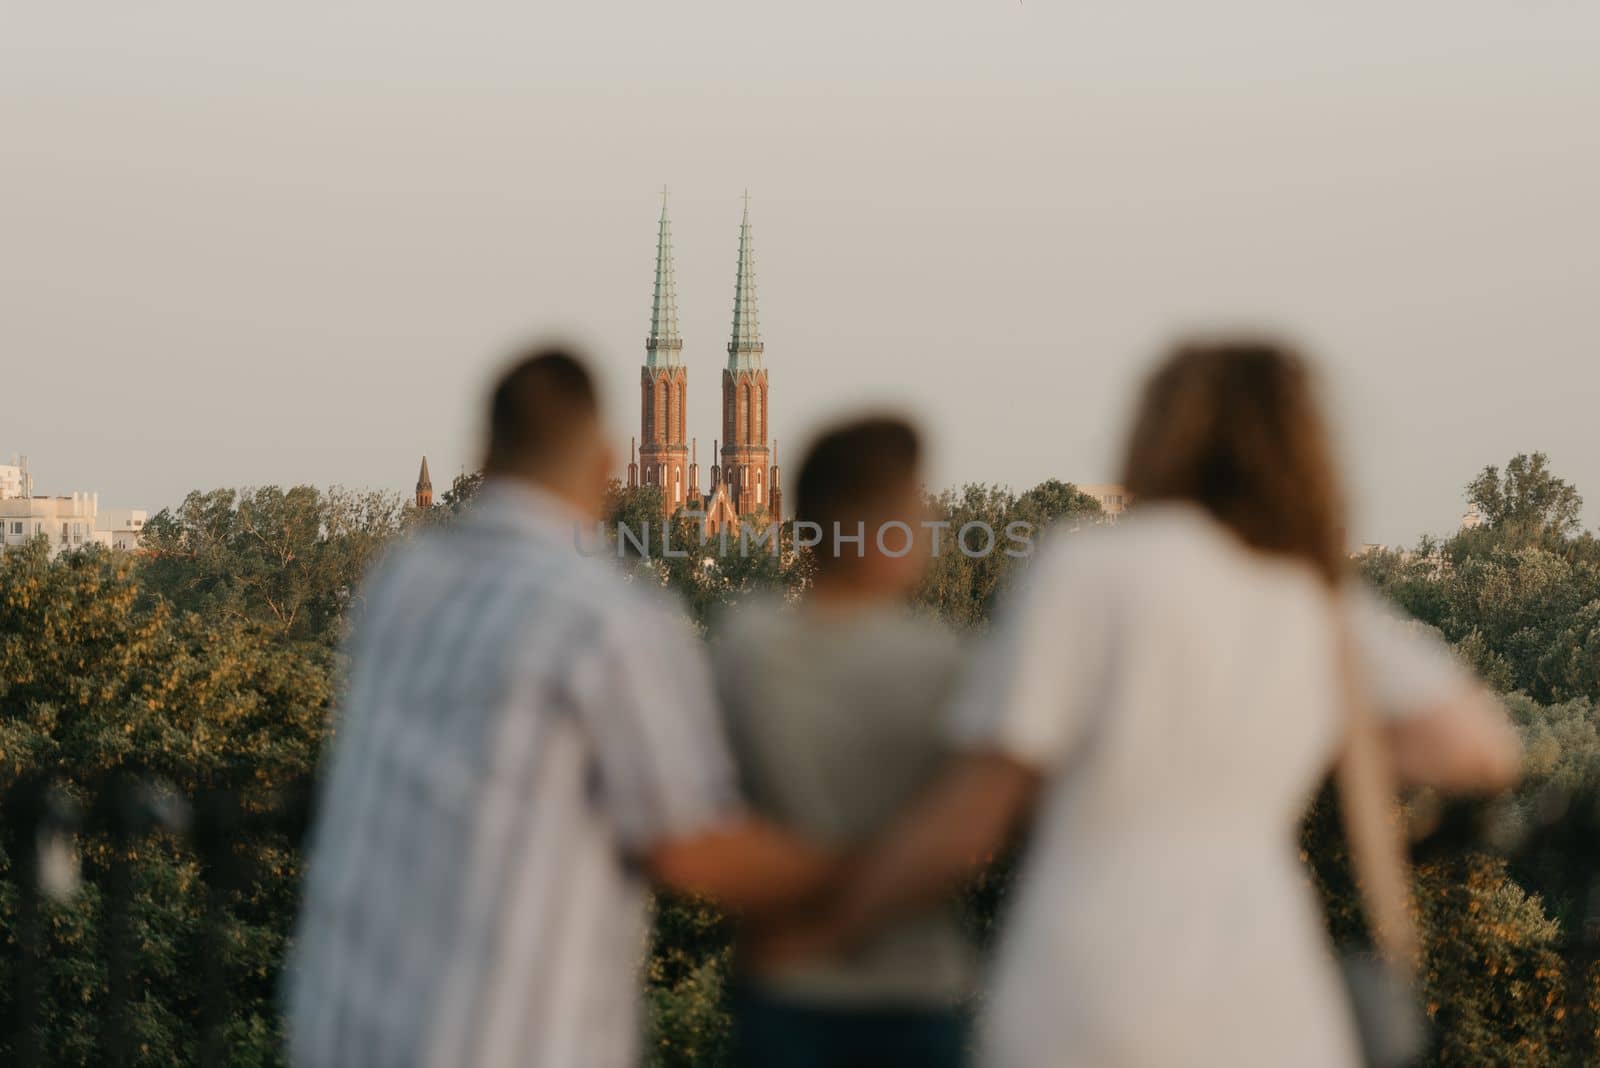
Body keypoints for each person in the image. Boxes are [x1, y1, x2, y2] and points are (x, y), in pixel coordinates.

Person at [765, 339, 1521, 1067]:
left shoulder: (1089, 567)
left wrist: (836, 916)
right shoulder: (1312, 592)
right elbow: (1478, 748)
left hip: (1089, 983)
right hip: (1265, 991)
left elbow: (973, 812)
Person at [284, 347, 837, 1068]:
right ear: (611, 460)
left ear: (482, 453)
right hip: (504, 1041)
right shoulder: (604, 615)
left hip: (342, 1035)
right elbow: (689, 839)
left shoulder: (398, 585)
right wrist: (868, 871)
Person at [712, 416, 977, 1068]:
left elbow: (702, 815)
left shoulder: (744, 645)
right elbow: (968, 833)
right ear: (882, 526)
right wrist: (866, 895)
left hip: (782, 984)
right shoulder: (938, 660)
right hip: (912, 993)